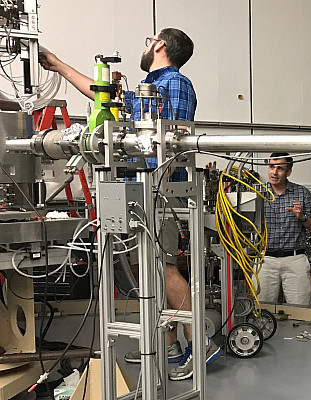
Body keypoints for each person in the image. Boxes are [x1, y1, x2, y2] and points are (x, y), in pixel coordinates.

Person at [40, 28, 219, 380]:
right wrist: (66, 70)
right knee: (147, 271)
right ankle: (167, 342)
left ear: (161, 45)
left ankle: (200, 344)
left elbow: (156, 135)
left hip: (159, 190)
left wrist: (62, 67)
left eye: (148, 40)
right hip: (137, 189)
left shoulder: (175, 82)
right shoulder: (151, 88)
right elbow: (111, 106)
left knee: (166, 269)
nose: (144, 45)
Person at [259, 152, 311, 304]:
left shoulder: (302, 193)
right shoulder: (258, 193)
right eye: (272, 167)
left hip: (295, 260)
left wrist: (302, 217)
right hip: (266, 260)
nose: (274, 172)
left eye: (280, 168)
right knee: (262, 309)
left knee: (300, 310)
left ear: (289, 172)